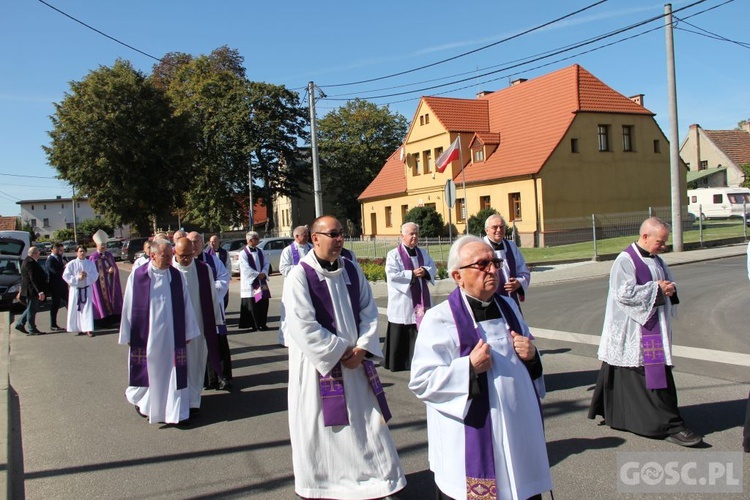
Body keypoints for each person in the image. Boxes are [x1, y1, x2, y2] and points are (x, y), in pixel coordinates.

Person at [409, 236, 551, 500]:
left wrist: (533, 356)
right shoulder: (438, 319)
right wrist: (469, 368)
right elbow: (421, 380)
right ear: (457, 276)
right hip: (470, 442)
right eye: (482, 264)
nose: (493, 270)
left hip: (517, 432)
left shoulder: (508, 306)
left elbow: (528, 354)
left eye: (495, 262)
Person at [282, 215, 406, 499]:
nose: (340, 239)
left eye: (341, 234)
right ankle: (324, 485)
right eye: (333, 234)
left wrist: (362, 347)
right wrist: (340, 351)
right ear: (315, 238)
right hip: (320, 369)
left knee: (369, 424)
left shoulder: (351, 268)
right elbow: (302, 325)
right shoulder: (299, 275)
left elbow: (368, 310)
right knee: (326, 430)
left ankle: (379, 481)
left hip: (355, 363)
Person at [588, 217, 703, 447]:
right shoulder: (625, 260)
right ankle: (666, 423)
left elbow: (667, 283)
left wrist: (669, 288)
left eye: (665, 242)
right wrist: (657, 289)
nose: (664, 246)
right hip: (632, 330)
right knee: (650, 373)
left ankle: (619, 415)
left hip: (652, 326)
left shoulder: (657, 259)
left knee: (641, 370)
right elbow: (624, 294)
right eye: (660, 241)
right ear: (645, 237)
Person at [119, 239, 200, 425]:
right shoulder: (138, 276)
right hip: (148, 337)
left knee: (173, 374)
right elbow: (129, 305)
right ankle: (148, 407)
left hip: (173, 336)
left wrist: (188, 331)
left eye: (171, 256)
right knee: (151, 372)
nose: (170, 260)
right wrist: (128, 334)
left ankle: (176, 413)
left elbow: (186, 303)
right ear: (152, 255)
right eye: (166, 256)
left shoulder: (176, 276)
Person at [173, 237, 227, 415]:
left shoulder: (203, 270)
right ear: (175, 252)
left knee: (196, 363)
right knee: (177, 366)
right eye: (183, 256)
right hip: (175, 330)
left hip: (198, 326)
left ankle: (194, 400)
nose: (187, 259)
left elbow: (212, 297)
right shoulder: (169, 270)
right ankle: (178, 400)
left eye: (191, 255)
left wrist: (216, 320)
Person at [384, 222, 436, 372]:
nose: (414, 237)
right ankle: (399, 362)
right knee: (402, 328)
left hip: (420, 297)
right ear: (402, 236)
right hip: (403, 300)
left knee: (420, 328)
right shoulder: (393, 254)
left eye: (416, 234)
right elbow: (392, 275)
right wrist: (411, 274)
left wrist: (425, 271)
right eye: (411, 234)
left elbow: (432, 267)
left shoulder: (422, 253)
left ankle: (420, 359)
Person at [187, 232, 232, 390]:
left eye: (197, 241)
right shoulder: (183, 262)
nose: (194, 245)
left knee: (218, 343)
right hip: (193, 310)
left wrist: (210, 292)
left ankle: (222, 377)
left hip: (212, 308)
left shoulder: (212, 260)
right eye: (191, 242)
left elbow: (224, 278)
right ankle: (205, 380)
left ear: (202, 243)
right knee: (197, 345)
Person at [483, 214, 530, 308]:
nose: (499, 230)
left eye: (501, 227)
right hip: (489, 300)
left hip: (511, 299)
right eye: (495, 227)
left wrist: (518, 283)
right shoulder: (480, 247)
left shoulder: (511, 246)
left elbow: (523, 271)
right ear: (487, 230)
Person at [90, 229, 123, 327]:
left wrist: (112, 271)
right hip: (99, 284)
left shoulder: (109, 255)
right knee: (101, 299)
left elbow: (114, 267)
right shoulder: (93, 257)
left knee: (112, 299)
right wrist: (105, 272)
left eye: (104, 244)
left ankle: (114, 319)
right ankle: (103, 321)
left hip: (110, 283)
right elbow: (93, 272)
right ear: (97, 245)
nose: (103, 247)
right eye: (101, 245)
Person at [62, 245, 98, 337]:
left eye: (83, 251)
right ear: (76, 252)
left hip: (86, 288)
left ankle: (88, 329)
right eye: (80, 251)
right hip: (76, 290)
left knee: (87, 309)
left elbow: (95, 275)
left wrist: (87, 275)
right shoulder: (72, 263)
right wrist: (78, 278)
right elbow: (65, 276)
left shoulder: (90, 263)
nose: (82, 253)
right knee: (76, 308)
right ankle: (78, 328)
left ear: (86, 252)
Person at [239, 231, 270, 331]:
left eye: (257, 238)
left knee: (263, 302)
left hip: (261, 281)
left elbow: (266, 263)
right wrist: (257, 274)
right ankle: (255, 324)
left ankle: (263, 323)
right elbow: (245, 267)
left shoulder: (261, 251)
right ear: (249, 240)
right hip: (253, 282)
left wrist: (264, 272)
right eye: (255, 239)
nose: (257, 240)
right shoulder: (243, 253)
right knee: (254, 304)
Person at [14, 246, 48, 336]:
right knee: (32, 310)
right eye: (38, 252)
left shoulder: (30, 261)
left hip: (31, 290)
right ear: (34, 253)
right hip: (31, 290)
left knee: (30, 308)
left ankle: (20, 323)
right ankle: (32, 329)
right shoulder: (29, 262)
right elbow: (33, 278)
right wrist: (40, 291)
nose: (39, 254)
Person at [45, 241, 68, 331]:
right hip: (55, 286)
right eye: (58, 250)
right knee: (55, 305)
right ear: (53, 249)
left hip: (63, 285)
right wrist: (64, 268)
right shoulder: (50, 260)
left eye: (62, 250)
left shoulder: (62, 258)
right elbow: (54, 272)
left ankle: (74, 322)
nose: (60, 251)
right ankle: (53, 324)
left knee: (69, 303)